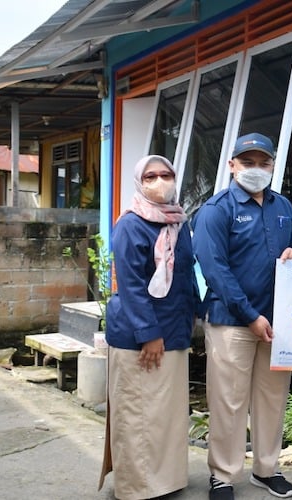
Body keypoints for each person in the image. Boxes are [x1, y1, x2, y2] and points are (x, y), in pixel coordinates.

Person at [192, 133, 292, 500]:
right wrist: (251, 316)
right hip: (231, 320)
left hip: (278, 322)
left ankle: (266, 469)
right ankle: (223, 475)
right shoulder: (216, 210)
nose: (256, 169)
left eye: (263, 163)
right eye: (248, 162)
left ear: (273, 166)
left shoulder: (282, 206)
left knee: (273, 398)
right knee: (229, 400)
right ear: (232, 166)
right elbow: (215, 270)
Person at [98, 155, 203, 500]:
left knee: (166, 416)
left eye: (166, 174)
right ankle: (138, 487)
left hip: (174, 331)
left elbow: (187, 275)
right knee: (137, 414)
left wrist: (197, 316)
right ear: (139, 183)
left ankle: (166, 481)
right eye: (151, 176)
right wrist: (150, 334)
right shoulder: (129, 225)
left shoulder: (178, 223)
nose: (160, 181)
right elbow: (129, 286)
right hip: (138, 337)